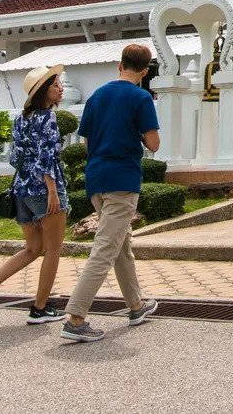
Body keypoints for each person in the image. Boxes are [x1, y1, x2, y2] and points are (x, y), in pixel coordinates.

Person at [60, 44, 161, 343]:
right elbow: (154, 144)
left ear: (119, 65)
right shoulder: (141, 97)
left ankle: (136, 305)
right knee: (105, 248)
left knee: (120, 244)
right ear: (144, 72)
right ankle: (76, 317)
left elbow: (88, 143)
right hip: (123, 179)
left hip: (97, 178)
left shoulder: (97, 96)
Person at [0, 64, 70, 326]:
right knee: (53, 250)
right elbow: (48, 156)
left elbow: (16, 157)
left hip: (21, 190)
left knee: (33, 248)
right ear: (42, 93)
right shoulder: (47, 118)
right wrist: (52, 191)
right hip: (44, 189)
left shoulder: (20, 119)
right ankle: (40, 308)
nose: (60, 88)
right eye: (55, 84)